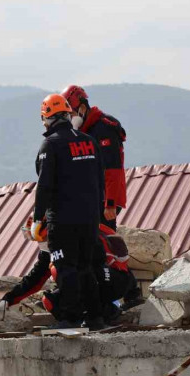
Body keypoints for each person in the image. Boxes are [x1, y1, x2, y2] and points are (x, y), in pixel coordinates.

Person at [28, 93, 105, 329]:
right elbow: (100, 180)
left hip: (63, 219)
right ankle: (95, 317)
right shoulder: (89, 141)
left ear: (47, 117)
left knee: (66, 267)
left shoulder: (50, 144)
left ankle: (70, 318)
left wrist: (38, 217)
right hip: (90, 218)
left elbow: (44, 185)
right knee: (86, 267)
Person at [61, 85, 142, 308]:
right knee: (97, 246)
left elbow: (112, 170)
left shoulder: (103, 128)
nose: (71, 118)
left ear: (83, 107)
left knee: (107, 246)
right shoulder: (84, 131)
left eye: (73, 113)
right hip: (90, 198)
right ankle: (115, 292)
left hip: (105, 200)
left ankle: (131, 292)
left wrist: (110, 203)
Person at [2, 223, 135, 324]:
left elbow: (117, 266)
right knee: (50, 301)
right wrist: (9, 299)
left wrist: (132, 294)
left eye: (43, 239)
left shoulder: (79, 235)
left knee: (68, 272)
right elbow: (35, 279)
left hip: (113, 279)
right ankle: (103, 312)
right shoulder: (52, 250)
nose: (41, 243)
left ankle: (98, 314)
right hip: (99, 280)